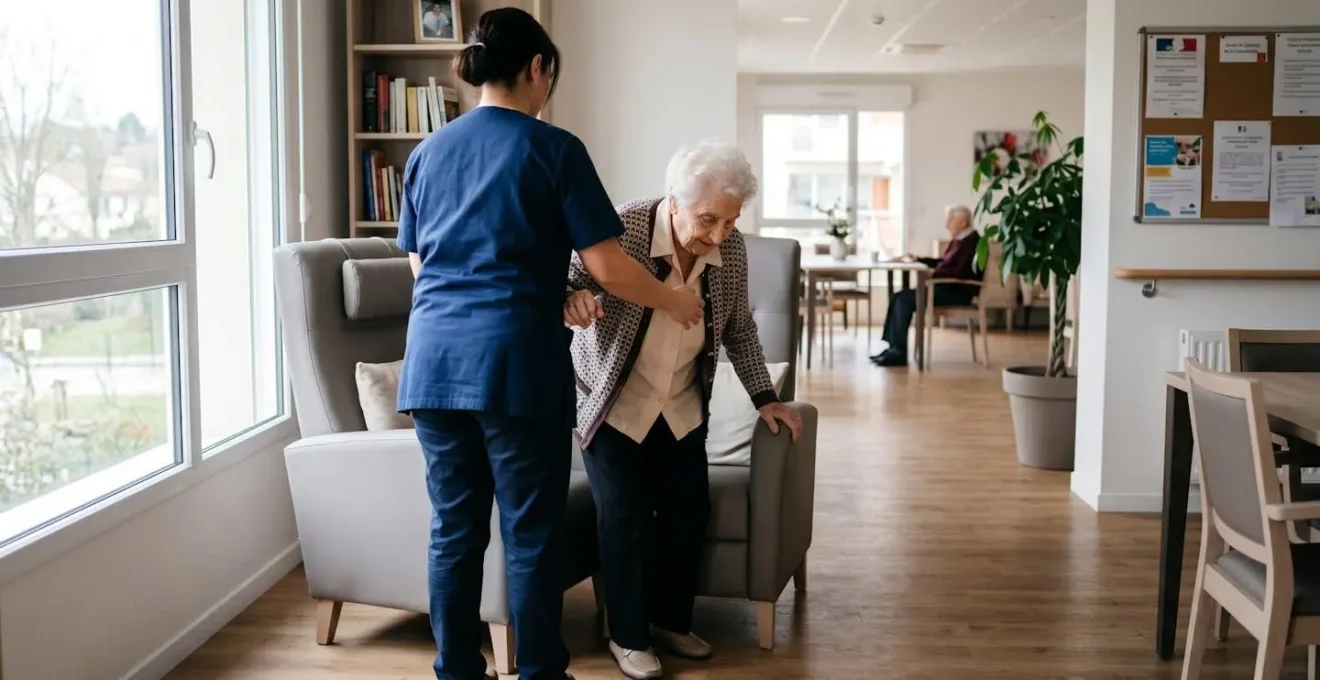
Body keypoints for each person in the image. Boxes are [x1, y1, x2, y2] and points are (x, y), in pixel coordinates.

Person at [395, 8, 704, 680]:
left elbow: (425, 267)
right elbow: (610, 267)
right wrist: (675, 299)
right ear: (537, 69)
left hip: (434, 366)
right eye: (549, 77)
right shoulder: (554, 149)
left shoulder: (426, 153)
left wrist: (547, 294)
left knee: (454, 531)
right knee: (529, 533)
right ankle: (537, 673)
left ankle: (456, 672)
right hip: (514, 370)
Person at [562, 141, 804, 680]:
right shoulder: (619, 228)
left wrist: (767, 398)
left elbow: (739, 328)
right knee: (623, 517)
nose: (719, 234)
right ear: (675, 201)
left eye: (731, 220)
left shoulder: (731, 249)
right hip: (612, 401)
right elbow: (568, 281)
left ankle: (670, 621)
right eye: (708, 219)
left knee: (687, 514)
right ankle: (627, 636)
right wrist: (571, 301)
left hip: (681, 402)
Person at [871, 204, 981, 367]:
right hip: (945, 287)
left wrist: (933, 274)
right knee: (898, 297)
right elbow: (944, 263)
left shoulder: (972, 242)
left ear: (963, 222)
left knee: (903, 299)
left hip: (956, 292)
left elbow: (960, 271)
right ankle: (893, 348)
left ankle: (898, 353)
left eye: (950, 220)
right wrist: (918, 259)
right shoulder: (960, 239)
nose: (946, 225)